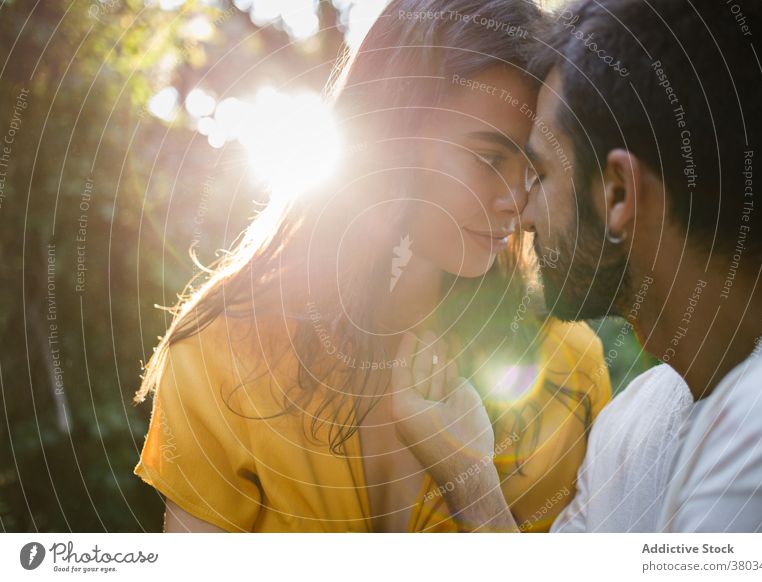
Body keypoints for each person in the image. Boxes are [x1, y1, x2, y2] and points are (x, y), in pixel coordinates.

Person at [131, 0, 612, 533]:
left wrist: (474, 488)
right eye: (488, 159)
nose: (516, 203)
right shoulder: (226, 349)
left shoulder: (567, 374)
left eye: (532, 169)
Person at [393, 0, 762, 532]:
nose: (523, 213)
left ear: (617, 194)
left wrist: (470, 484)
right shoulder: (629, 429)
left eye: (538, 173)